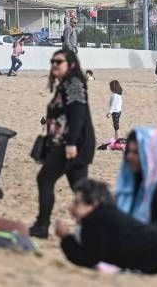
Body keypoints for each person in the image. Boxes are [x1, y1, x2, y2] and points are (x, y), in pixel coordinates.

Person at [31, 47, 95, 239]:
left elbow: (78, 114)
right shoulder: (65, 84)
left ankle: (42, 226)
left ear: (72, 65)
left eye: (59, 62)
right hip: (72, 144)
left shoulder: (74, 83)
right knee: (81, 189)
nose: (54, 65)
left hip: (73, 144)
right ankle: (96, 228)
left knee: (45, 179)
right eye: (52, 62)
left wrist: (71, 143)